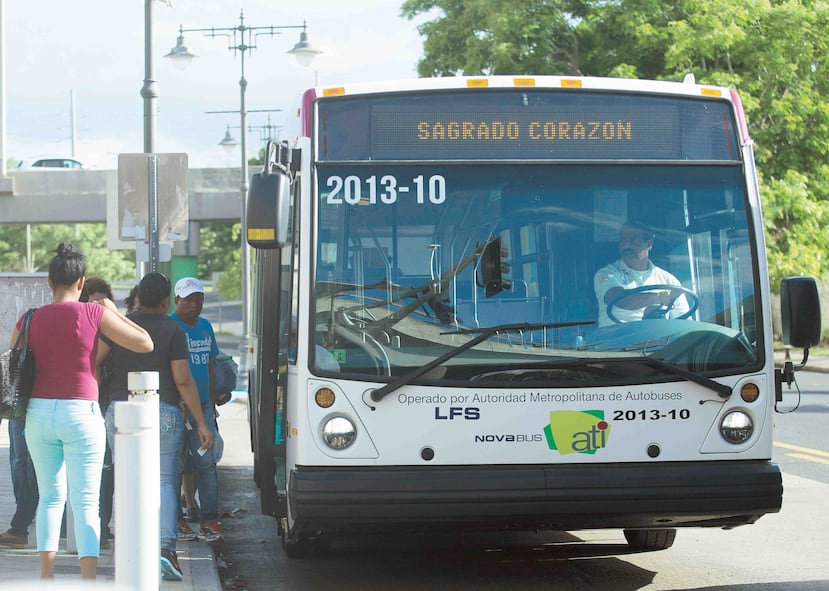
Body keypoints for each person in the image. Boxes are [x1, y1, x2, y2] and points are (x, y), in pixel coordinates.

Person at [12, 243, 153, 581]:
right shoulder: (93, 313)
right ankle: (87, 580)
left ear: (49, 282)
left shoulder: (29, 318)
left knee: (50, 497)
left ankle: (47, 577)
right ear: (81, 282)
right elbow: (145, 342)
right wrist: (111, 310)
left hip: (38, 415)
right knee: (86, 500)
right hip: (81, 414)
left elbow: (14, 361)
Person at [97, 272, 213, 581]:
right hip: (163, 412)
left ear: (138, 297)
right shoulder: (173, 329)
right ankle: (164, 550)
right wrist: (201, 422)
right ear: (165, 302)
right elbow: (183, 379)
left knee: (127, 481)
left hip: (120, 411)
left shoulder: (118, 324)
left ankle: (131, 550)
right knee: (163, 482)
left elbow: (93, 360)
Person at [170, 276, 224, 543]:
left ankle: (210, 521)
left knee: (206, 463)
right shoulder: (170, 325)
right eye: (189, 300)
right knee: (175, 465)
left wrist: (211, 403)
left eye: (199, 300)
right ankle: (176, 519)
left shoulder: (205, 327)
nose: (195, 305)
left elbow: (211, 364)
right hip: (177, 408)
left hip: (203, 407)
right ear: (176, 300)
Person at [594, 220, 690, 327]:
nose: (626, 245)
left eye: (633, 240)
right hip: (617, 341)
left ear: (649, 244)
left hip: (660, 341)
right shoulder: (607, 274)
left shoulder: (669, 281)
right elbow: (617, 298)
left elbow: (685, 323)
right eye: (623, 240)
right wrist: (659, 297)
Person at [79, 276, 116, 549]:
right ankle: (85, 530)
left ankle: (101, 528)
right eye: (92, 300)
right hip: (86, 405)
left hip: (105, 405)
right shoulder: (80, 327)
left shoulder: (111, 331)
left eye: (101, 300)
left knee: (106, 471)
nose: (96, 307)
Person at [0, 417, 38, 549]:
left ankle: (20, 527)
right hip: (22, 410)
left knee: (22, 464)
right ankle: (21, 523)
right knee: (21, 463)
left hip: (24, 409)